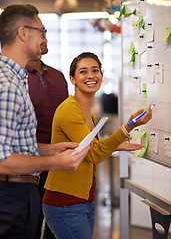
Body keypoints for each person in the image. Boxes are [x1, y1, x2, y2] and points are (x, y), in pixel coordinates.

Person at [0, 5, 90, 239]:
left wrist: (49, 150)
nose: (45, 38)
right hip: (9, 193)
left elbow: (9, 145)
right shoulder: (6, 86)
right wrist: (56, 162)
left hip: (9, 190)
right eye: (42, 32)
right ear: (23, 33)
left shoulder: (6, 76)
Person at [42, 52, 153, 239]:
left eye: (95, 70)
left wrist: (116, 145)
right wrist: (129, 126)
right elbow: (93, 154)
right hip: (66, 203)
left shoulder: (88, 113)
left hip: (83, 199)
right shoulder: (70, 110)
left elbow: (85, 147)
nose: (91, 75)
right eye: (83, 72)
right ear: (73, 79)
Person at [26, 42, 68, 239]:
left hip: (60, 172)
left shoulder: (58, 77)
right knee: (30, 230)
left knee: (55, 231)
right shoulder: (16, 78)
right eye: (41, 33)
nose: (45, 39)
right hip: (29, 174)